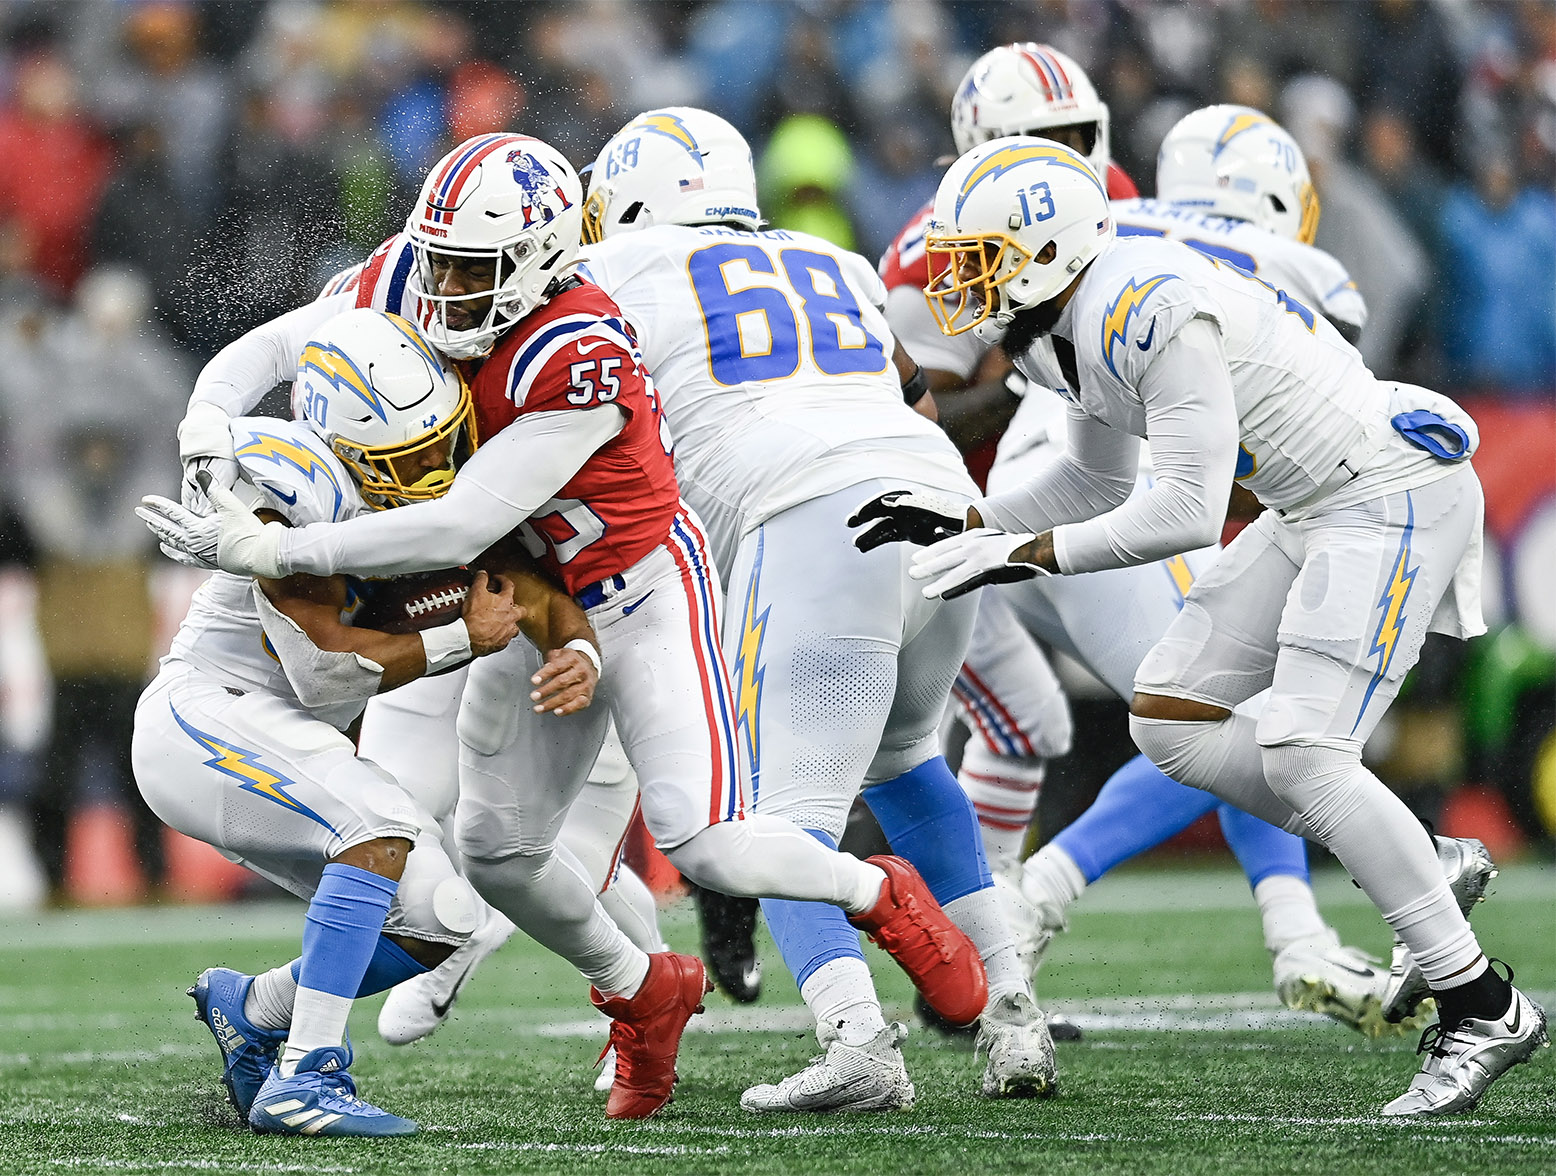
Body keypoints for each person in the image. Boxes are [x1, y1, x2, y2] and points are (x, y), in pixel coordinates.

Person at [140, 133, 985, 1119]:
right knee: (496, 855)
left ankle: (876, 893)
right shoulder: (416, 275)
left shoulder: (574, 343)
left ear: (542, 258)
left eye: (471, 267)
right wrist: (207, 423)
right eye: (437, 258)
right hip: (535, 589)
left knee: (704, 839)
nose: (443, 286)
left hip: (639, 588)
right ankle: (640, 997)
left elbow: (464, 518)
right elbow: (286, 343)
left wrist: (273, 552)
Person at [857, 137, 1547, 1115]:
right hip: (1309, 507)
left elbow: (1181, 510)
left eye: (977, 257)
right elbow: (1091, 479)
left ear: (1045, 248)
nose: (958, 281)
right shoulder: (1058, 324)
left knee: (1306, 752)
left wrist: (1020, 553)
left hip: (1385, 494)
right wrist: (968, 522)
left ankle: (1480, 1005)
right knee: (1170, 719)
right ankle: (1404, 852)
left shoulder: (1142, 305)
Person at [580, 106, 1052, 1109]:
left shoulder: (616, 274)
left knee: (762, 812)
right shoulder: (828, 261)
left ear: (625, 197)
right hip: (935, 493)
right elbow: (915, 398)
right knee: (905, 759)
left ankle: (857, 1043)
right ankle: (1013, 1015)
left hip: (808, 508)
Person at [984, 107, 1403, 1034]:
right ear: (1282, 195)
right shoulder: (1300, 267)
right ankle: (1035, 896)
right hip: (1111, 503)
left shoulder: (1115, 237)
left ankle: (1298, 935)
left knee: (1226, 717)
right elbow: (1318, 439)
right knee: (1207, 715)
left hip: (1030, 482)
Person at [132, 308, 598, 1135]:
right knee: (379, 823)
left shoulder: (449, 495)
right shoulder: (291, 490)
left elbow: (534, 596)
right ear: (344, 450)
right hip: (206, 718)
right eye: (404, 459)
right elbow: (321, 670)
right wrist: (461, 637)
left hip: (272, 734)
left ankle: (255, 1007)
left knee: (441, 920)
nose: (430, 472)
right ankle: (306, 1076)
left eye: (439, 445)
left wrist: (578, 652)